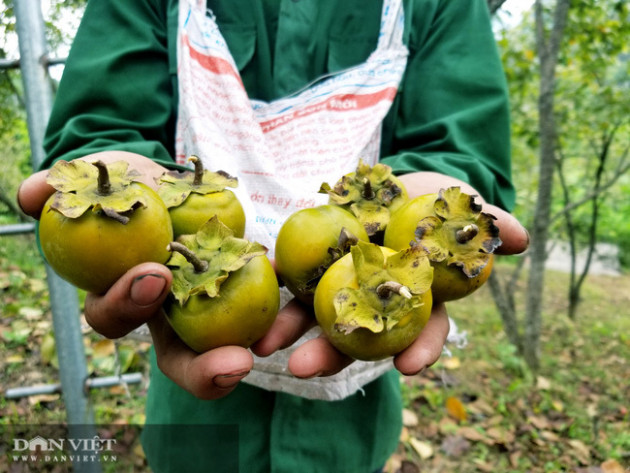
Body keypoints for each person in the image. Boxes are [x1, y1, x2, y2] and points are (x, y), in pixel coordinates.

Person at [17, 0, 530, 471]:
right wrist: (117, 175)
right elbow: (100, 123)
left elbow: (461, 146)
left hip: (351, 412)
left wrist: (432, 203)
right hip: (195, 407)